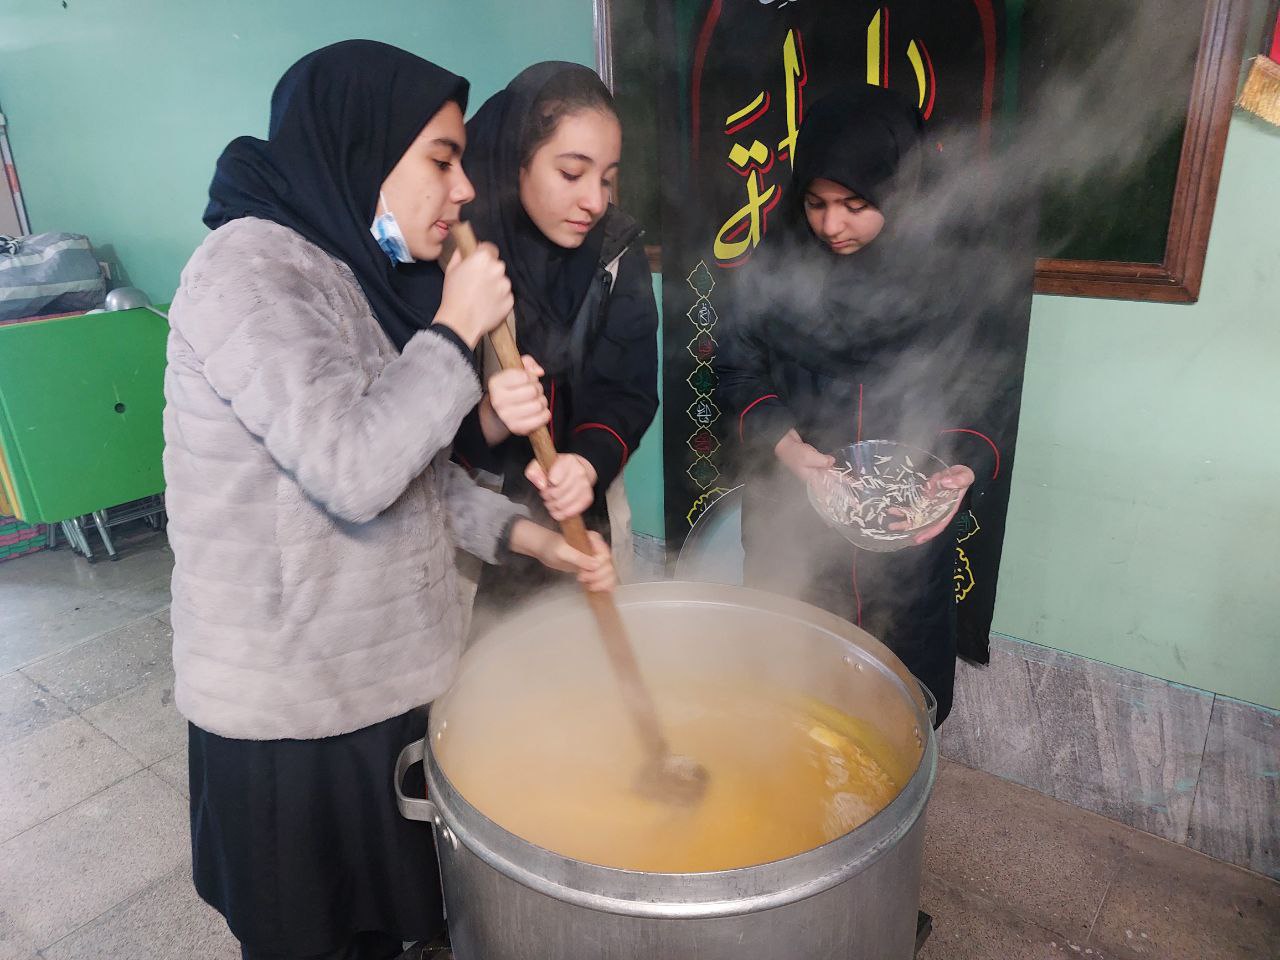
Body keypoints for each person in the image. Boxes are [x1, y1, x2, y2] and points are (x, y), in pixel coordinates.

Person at [163, 41, 613, 960]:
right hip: (294, 720)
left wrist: (535, 539)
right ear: (360, 150)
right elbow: (355, 471)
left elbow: (417, 480)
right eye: (441, 161)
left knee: (393, 933)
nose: (463, 191)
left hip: (378, 688)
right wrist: (454, 328)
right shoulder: (248, 272)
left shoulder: (345, 272)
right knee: (314, 942)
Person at [718, 85, 1005, 726]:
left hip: (905, 521)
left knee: (896, 706)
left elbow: (984, 388)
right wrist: (786, 446)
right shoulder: (772, 268)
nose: (831, 226)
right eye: (816, 203)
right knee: (788, 690)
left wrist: (962, 465)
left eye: (856, 205)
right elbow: (736, 369)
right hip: (792, 514)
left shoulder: (951, 277)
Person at [452, 61, 659, 618]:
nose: (595, 200)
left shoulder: (616, 251)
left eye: (606, 178)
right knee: (483, 659)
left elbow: (628, 388)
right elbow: (419, 437)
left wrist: (587, 464)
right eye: (571, 174)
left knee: (588, 646)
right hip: (475, 522)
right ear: (515, 160)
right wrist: (488, 418)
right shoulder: (455, 252)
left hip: (583, 511)